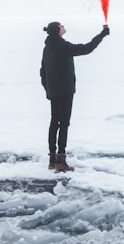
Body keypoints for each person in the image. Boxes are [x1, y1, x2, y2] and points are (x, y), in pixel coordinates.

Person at [40, 21, 110, 172]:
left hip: (54, 92)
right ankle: (61, 160)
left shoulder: (47, 48)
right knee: (64, 124)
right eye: (62, 25)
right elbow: (87, 48)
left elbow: (42, 73)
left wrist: (49, 89)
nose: (64, 27)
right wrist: (102, 34)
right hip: (65, 91)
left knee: (54, 123)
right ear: (58, 30)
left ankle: (52, 160)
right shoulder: (62, 46)